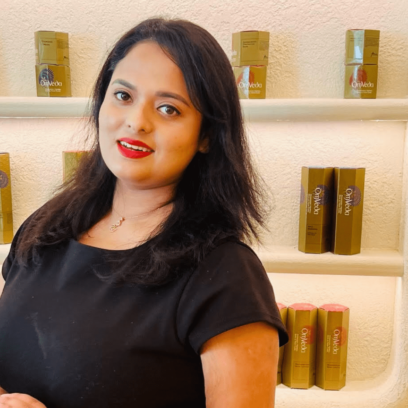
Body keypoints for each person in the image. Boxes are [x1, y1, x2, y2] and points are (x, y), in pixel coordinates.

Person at [0, 18, 288, 408]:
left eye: (169, 109)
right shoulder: (45, 227)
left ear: (206, 136)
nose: (137, 121)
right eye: (123, 96)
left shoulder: (225, 276)